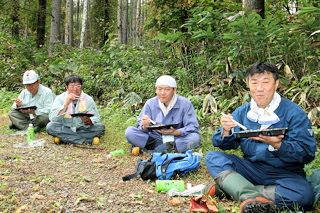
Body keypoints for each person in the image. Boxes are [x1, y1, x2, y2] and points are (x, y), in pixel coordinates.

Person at [204, 62, 317, 212]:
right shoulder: (243, 112)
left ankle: (231, 189)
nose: (259, 88)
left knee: (304, 196)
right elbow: (223, 144)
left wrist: (278, 145)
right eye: (254, 82)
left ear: (276, 84)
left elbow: (307, 153)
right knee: (213, 157)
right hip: (251, 169)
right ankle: (250, 196)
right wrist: (226, 130)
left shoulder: (294, 112)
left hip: (285, 173)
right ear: (248, 85)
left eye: (265, 82)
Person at [125, 75, 201, 155]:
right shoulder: (150, 103)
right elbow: (140, 126)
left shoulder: (185, 104)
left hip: (176, 138)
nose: (162, 93)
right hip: (155, 138)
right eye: (159, 89)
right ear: (156, 90)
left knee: (195, 138)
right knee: (130, 132)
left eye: (167, 89)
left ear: (174, 90)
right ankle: (164, 148)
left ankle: (154, 151)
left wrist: (174, 132)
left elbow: (192, 127)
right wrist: (144, 125)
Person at [46, 75, 105, 144]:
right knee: (50, 126)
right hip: (65, 127)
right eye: (72, 86)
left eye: (78, 86)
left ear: (81, 87)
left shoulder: (88, 99)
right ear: (67, 88)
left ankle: (64, 139)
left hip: (82, 128)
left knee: (100, 127)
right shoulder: (60, 98)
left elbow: (96, 118)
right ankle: (85, 141)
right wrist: (66, 104)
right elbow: (53, 118)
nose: (75, 89)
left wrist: (89, 121)